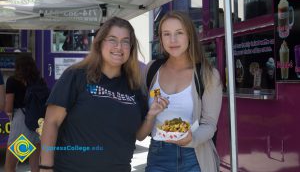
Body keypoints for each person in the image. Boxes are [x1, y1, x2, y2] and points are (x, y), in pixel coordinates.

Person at [40, 17, 168, 172]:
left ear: (131, 48)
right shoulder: (76, 76)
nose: (119, 46)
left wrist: (151, 115)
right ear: (100, 43)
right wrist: (45, 167)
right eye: (112, 39)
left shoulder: (134, 86)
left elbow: (139, 135)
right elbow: (51, 122)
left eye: (125, 41)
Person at [144, 11, 223, 172]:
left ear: (189, 36)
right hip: (158, 154)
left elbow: (209, 124)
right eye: (167, 34)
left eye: (179, 33)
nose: (172, 40)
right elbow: (140, 114)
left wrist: (191, 139)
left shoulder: (208, 74)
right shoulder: (151, 69)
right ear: (161, 38)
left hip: (194, 156)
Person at [4, 55, 41, 172]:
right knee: (35, 167)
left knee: (10, 166)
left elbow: (9, 108)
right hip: (37, 124)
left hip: (22, 125)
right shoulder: (39, 81)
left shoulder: (12, 81)